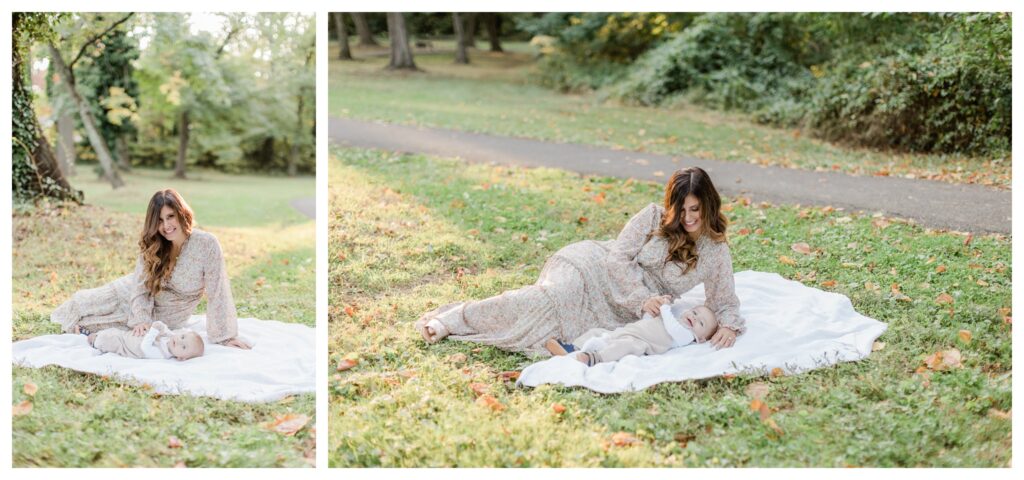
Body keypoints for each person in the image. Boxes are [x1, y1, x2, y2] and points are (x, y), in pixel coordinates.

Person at [416, 166, 744, 355]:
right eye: (681, 209)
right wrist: (643, 298)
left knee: (563, 332)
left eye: (695, 210)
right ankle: (454, 318)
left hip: (623, 313)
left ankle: (561, 346)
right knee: (548, 298)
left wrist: (728, 325)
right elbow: (617, 258)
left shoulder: (715, 251)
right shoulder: (652, 217)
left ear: (709, 206)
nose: (687, 218)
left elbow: (724, 299)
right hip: (594, 269)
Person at [51, 188, 251, 349]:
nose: (166, 226)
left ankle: (90, 330)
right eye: (160, 221)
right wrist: (141, 319)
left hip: (167, 314)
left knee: (92, 324)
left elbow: (218, 291)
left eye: (171, 216)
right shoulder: (154, 243)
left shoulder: (206, 244)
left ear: (182, 214)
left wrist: (225, 336)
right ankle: (87, 324)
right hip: (134, 295)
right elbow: (140, 286)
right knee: (79, 305)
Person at [543, 303, 718, 366]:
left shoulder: (686, 336)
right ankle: (572, 348)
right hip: (626, 331)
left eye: (701, 323)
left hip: (641, 342)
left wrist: (665, 308)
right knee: (597, 332)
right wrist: (654, 310)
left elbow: (673, 327)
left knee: (624, 347)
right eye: (694, 313)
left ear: (701, 338)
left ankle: (594, 358)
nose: (694, 319)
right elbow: (647, 319)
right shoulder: (673, 317)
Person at [88, 320, 205, 361]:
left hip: (126, 347)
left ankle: (92, 340)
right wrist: (161, 326)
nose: (179, 341)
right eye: (183, 337)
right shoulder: (172, 338)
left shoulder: (162, 354)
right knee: (113, 331)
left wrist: (153, 331)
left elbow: (145, 347)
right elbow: (165, 329)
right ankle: (93, 333)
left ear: (181, 358)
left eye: (183, 347)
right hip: (128, 336)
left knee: (107, 341)